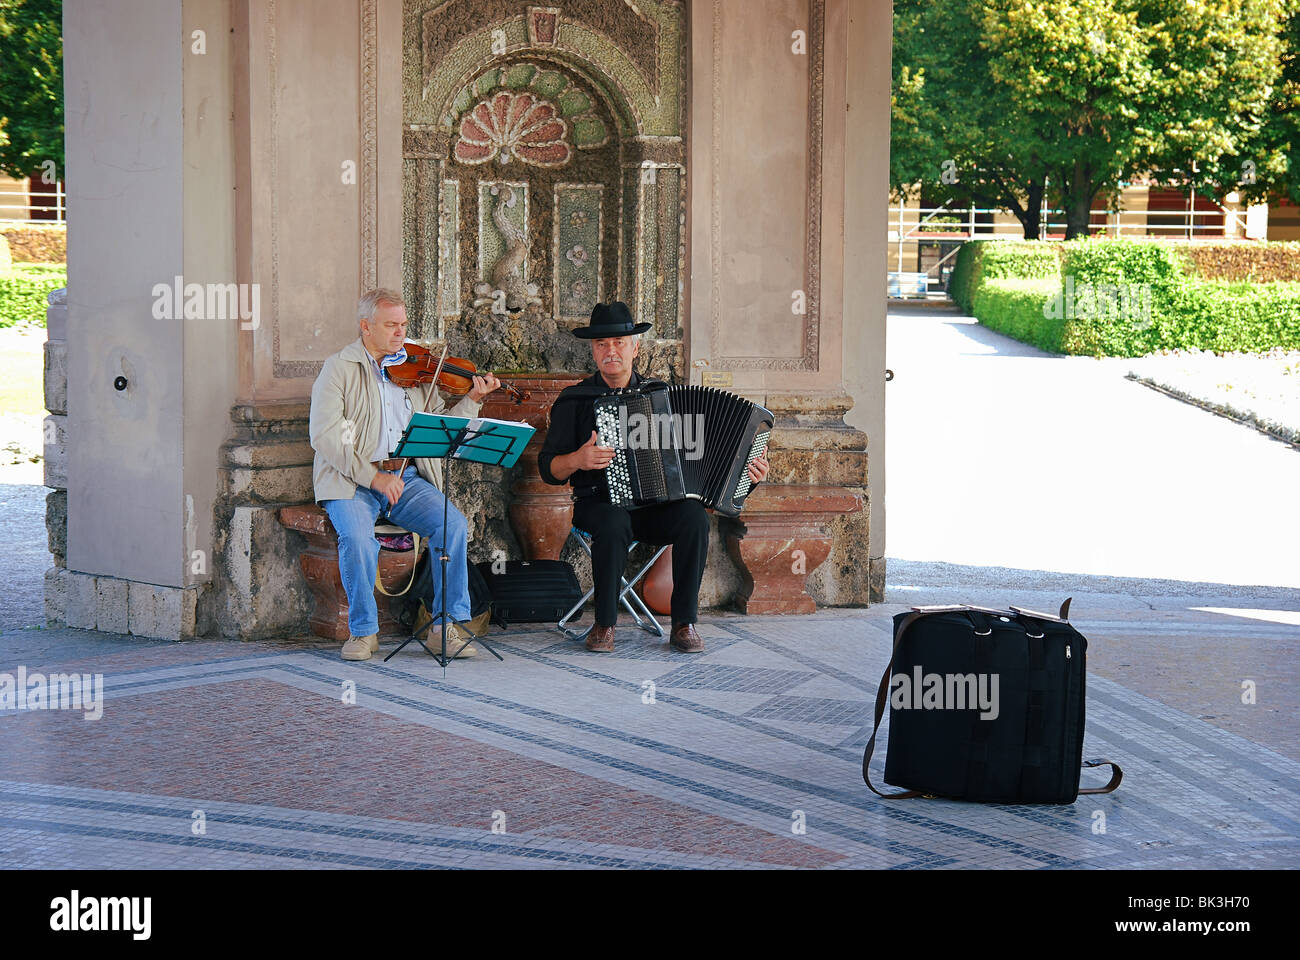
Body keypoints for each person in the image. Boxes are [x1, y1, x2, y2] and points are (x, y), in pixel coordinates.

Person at [538, 301, 769, 653]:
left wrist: (748, 476)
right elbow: (549, 469)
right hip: (597, 505)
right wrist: (578, 459)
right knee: (613, 522)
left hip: (653, 507)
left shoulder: (661, 397)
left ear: (635, 347)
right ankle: (603, 624)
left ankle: (684, 624)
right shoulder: (574, 401)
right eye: (602, 345)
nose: (610, 351)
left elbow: (706, 460)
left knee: (692, 518)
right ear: (593, 351)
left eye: (619, 343)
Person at [309, 289, 500, 661]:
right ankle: (363, 632)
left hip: (405, 478)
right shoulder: (339, 368)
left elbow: (440, 428)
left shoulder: (414, 367)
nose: (401, 333)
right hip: (351, 480)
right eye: (391, 325)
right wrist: (373, 477)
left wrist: (472, 401)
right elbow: (325, 437)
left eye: (404, 325)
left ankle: (448, 627)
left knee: (453, 525)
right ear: (366, 327)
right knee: (358, 540)